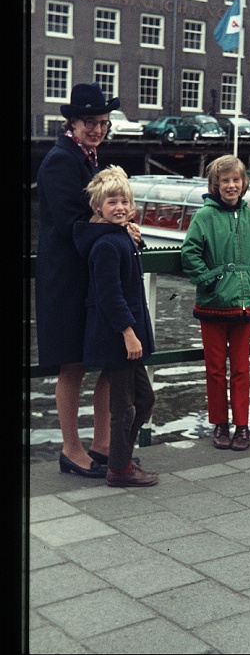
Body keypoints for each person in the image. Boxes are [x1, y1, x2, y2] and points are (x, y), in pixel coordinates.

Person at [35, 82, 125, 478]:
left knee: (100, 359)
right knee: (71, 365)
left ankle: (101, 446)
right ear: (72, 122)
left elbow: (94, 215)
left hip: (82, 275)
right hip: (64, 281)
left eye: (103, 122)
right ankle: (71, 450)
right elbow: (73, 222)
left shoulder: (86, 157)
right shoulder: (61, 160)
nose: (98, 129)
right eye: (90, 122)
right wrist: (117, 228)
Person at [73, 166, 158, 487]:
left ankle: (121, 456)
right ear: (98, 207)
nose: (120, 207)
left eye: (124, 202)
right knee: (123, 406)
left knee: (144, 400)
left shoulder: (121, 236)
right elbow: (109, 295)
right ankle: (119, 469)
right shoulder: (106, 245)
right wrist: (128, 333)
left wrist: (136, 237)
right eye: (112, 202)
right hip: (119, 337)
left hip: (128, 335)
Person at [181, 155, 250, 451]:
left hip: (243, 303)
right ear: (215, 185)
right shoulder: (203, 217)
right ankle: (220, 423)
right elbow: (190, 253)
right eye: (225, 181)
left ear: (244, 183)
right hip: (213, 305)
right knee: (215, 369)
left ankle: (242, 425)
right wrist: (211, 281)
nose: (231, 185)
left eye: (236, 180)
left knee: (241, 369)